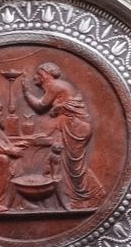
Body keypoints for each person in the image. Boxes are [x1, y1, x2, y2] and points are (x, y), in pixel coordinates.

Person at [22, 62, 103, 208]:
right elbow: (61, 115)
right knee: (68, 163)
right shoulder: (58, 86)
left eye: (38, 74)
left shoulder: (54, 86)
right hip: (74, 126)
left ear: (45, 75)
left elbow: (40, 106)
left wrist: (26, 92)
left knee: (73, 166)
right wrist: (47, 133)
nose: (35, 77)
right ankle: (79, 196)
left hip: (76, 128)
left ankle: (85, 197)